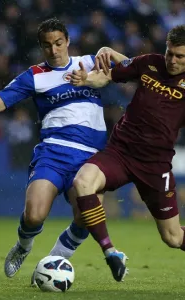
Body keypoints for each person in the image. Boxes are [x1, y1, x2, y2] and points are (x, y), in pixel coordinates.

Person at [0, 18, 128, 282]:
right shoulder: (34, 76)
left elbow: (139, 70)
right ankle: (23, 246)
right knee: (34, 215)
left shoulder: (89, 63)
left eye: (58, 43)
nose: (53, 50)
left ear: (68, 42)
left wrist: (112, 52)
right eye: (47, 46)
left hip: (91, 159)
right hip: (53, 154)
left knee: (87, 216)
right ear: (41, 47)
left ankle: (54, 260)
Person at [69, 24, 185, 282]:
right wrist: (87, 79)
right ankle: (111, 252)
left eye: (180, 56)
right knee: (82, 182)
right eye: (170, 53)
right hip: (120, 152)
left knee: (173, 237)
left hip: (156, 165)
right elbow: (109, 74)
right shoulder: (150, 64)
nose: (172, 60)